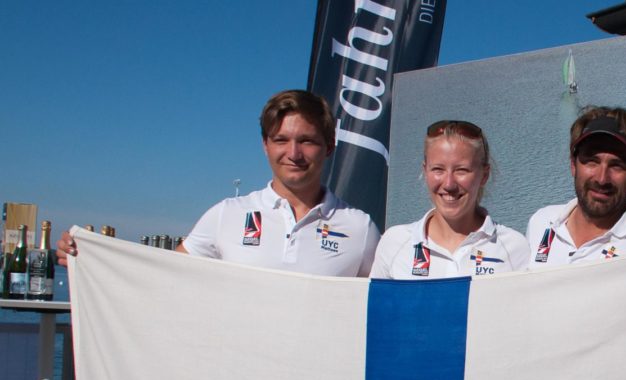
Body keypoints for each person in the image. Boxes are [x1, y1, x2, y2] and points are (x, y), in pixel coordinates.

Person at [58, 90, 380, 277]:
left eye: (306, 141)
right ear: (265, 145)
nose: (293, 153)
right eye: (281, 140)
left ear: (329, 146)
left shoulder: (359, 227)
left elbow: (389, 311)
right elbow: (160, 276)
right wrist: (89, 260)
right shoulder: (227, 214)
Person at [370, 120, 527, 278]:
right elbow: (373, 303)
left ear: (484, 175)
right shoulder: (395, 243)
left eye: (461, 170)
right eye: (438, 169)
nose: (449, 184)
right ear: (425, 171)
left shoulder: (514, 248)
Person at [526, 106, 626, 268]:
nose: (602, 179)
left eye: (617, 165)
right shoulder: (541, 222)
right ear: (573, 165)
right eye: (592, 161)